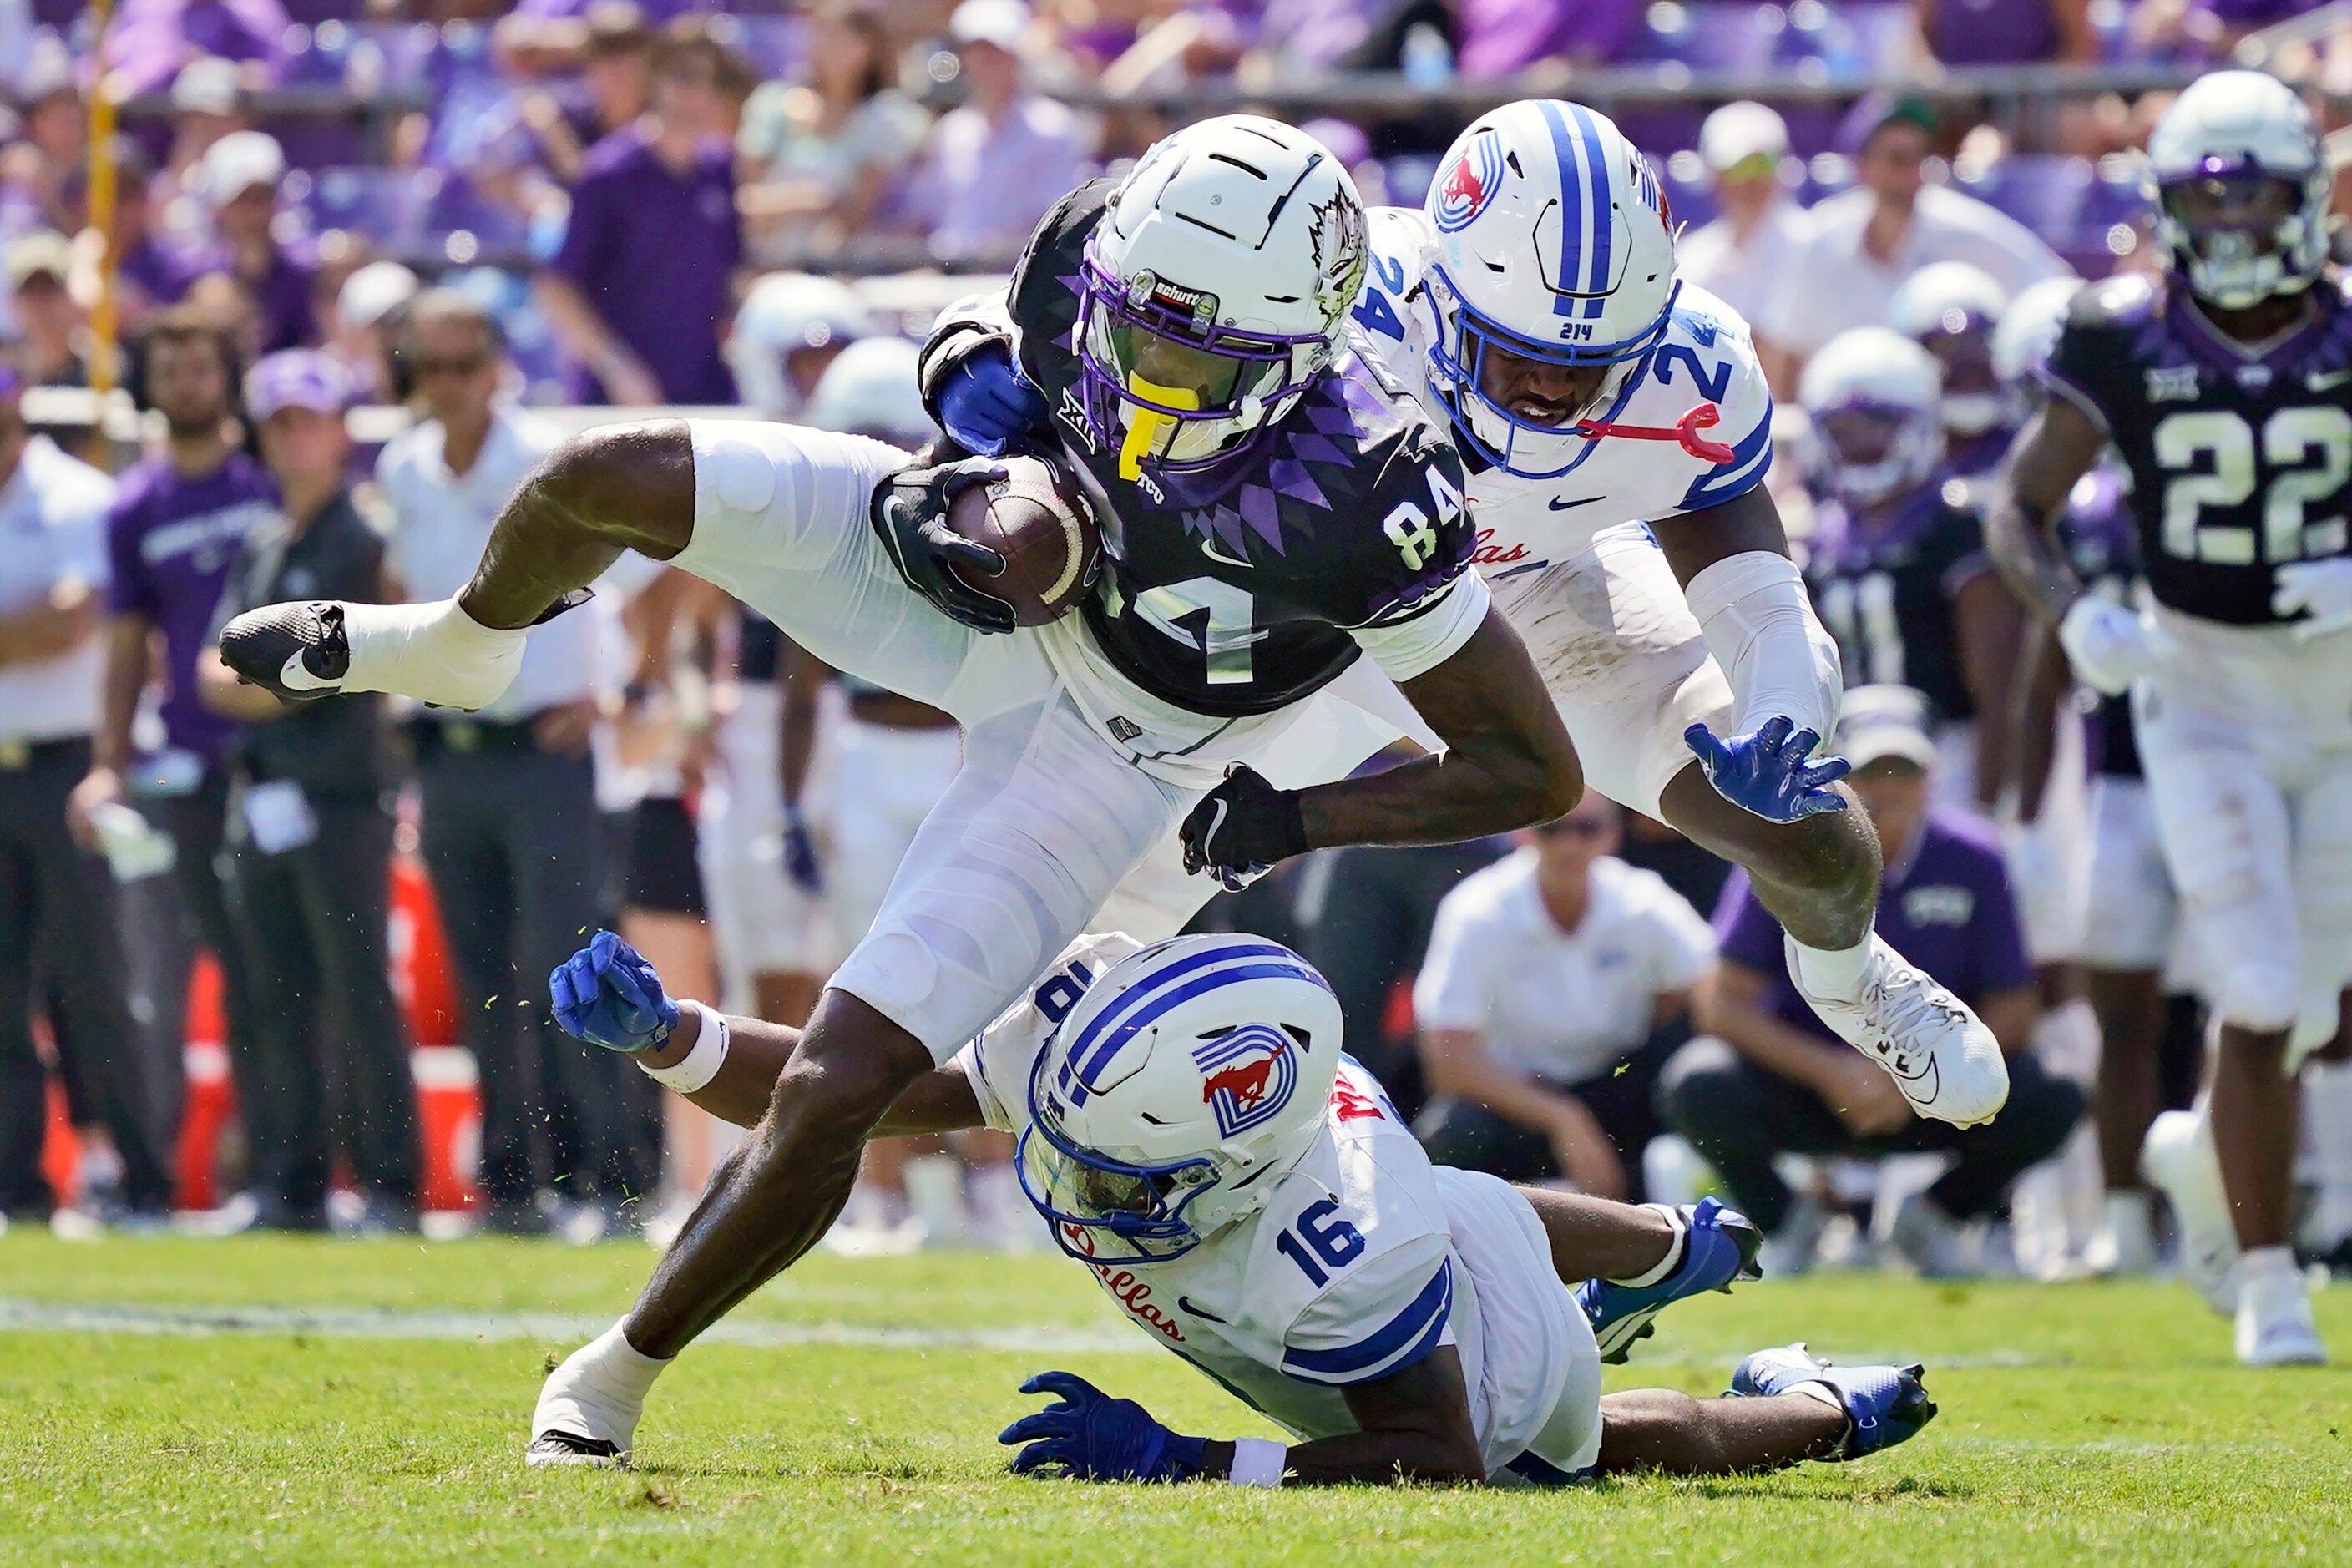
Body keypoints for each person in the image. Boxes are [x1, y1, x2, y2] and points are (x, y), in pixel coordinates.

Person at [221, 114, 1590, 1441]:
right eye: (1140, 331)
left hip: (1130, 740)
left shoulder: (1369, 488)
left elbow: (1527, 766)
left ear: (1300, 352)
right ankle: (461, 645)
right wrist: (975, 438)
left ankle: (612, 1371)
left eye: (1200, 356)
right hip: (983, 592)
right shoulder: (1086, 254)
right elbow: (981, 368)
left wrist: (1293, 814)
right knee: (607, 474)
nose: (1153, 377)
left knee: (849, 1071)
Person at [531, 926, 1937, 1481]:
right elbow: (872, 1099)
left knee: (1563, 1457)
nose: (1074, 1180)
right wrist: (680, 1039)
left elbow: (1430, 1457)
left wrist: (1191, 1460)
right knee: (1463, 1203)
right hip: (1437, 1214)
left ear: (1223, 1171)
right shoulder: (1117, 1052)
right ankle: (1666, 1249)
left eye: (1120, 1176)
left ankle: (1832, 1406)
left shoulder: (1333, 1254)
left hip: (1470, 1351)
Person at [1272, 100, 2015, 1128]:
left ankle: (1847, 975)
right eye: (1518, 350)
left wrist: (1783, 714)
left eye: (1585, 364)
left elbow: (1761, 595)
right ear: (1443, 299)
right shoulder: (1338, 303)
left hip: (1523, 593)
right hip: (1302, 613)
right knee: (1103, 889)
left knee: (1815, 838)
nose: (1547, 387)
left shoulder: (1691, 366)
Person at [1984, 71, 2352, 1364]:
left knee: (2313, 1006)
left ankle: (2207, 1152)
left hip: (2345, 699)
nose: (2240, 224)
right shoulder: (2120, 334)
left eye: (2260, 194)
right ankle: (2268, 1281)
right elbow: (2015, 506)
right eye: (2214, 196)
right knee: (2253, 985)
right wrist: (2074, 608)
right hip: (2205, 696)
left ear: (2308, 197)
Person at [371, 289, 649, 1234]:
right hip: (449, 750)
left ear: (495, 369)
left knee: (565, 964)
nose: (445, 387)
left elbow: (659, 567)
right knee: (482, 969)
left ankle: (609, 1180)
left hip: (542, 749)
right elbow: (404, 591)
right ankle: (513, 1180)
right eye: (428, 368)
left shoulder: (549, 459)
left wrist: (617, 688)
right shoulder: (403, 468)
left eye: (461, 366)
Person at [1661, 685, 2083, 1279]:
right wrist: (1830, 1071)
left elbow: (2014, 1003)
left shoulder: (1975, 859)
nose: (1885, 788)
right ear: (1837, 776)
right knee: (1698, 1083)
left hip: (1931, 1090)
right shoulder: (1785, 848)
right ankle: (1785, 1222)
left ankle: (1937, 1215)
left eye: (1901, 770)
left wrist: (1911, 1076)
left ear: (1929, 777)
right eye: (1870, 771)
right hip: (1808, 1084)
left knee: (2055, 1089)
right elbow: (1721, 1004)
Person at [194, 350, 422, 1234]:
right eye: (279, 422)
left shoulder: (356, 540)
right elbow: (218, 670)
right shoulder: (264, 538)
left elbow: (318, 673)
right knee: (270, 994)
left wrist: (259, 684)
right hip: (266, 796)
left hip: (339, 800)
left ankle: (390, 1185)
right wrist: (259, 684)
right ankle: (288, 1184)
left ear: (338, 429)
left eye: (309, 420)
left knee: (358, 991)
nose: (295, 438)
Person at [71, 306, 277, 1216]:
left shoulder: (271, 482)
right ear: (148, 386)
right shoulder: (134, 507)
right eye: (171, 369)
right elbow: (124, 647)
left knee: (272, 978)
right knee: (155, 982)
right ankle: (150, 1176)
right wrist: (106, 762)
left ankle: (282, 1174)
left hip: (276, 763)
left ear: (226, 376)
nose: (188, 382)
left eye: (202, 366)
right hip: (182, 765)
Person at [0, 336, 174, 1229]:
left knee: (96, 980)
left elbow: (75, 620)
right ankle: (15, 1189)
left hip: (71, 763)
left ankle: (140, 1178)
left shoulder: (77, 494)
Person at [1411, 793, 1716, 1200]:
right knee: (1452, 1132)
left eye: (1587, 828)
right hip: (1518, 1101)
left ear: (1613, 833)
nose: (1569, 844)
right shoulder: (1476, 910)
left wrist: (1664, 1019)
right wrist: (1563, 1118)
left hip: (1619, 1091)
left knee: (1698, 1080)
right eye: (1551, 828)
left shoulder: (1642, 900)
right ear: (1523, 833)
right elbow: (1447, 1059)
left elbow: (1712, 989)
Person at [1798, 325, 2027, 815]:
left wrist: (1989, 805)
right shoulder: (1820, 536)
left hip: (1949, 753)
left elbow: (2001, 688)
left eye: (1878, 423)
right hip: (1852, 752)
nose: (1860, 441)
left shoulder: (1956, 525)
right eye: (1842, 427)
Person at [1753, 94, 2072, 393]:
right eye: (1897, 158)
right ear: (1863, 167)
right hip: (1846, 433)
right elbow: (1786, 354)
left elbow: (2057, 293)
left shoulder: (1966, 231)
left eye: (1919, 158)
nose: (1911, 173)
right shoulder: (1819, 242)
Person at [536, 19, 747, 406]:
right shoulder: (607, 174)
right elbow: (557, 289)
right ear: (654, 80)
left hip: (704, 393)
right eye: (684, 78)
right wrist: (617, 367)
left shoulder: (719, 168)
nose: (697, 95)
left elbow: (731, 275)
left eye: (711, 82)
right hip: (617, 405)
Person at [736, 0, 930, 266]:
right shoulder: (772, 104)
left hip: (845, 269)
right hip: (765, 265)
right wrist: (815, 201)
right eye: (823, 33)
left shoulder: (887, 117)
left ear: (871, 48)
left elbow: (857, 215)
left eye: (847, 37)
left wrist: (787, 207)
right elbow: (744, 202)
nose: (832, 46)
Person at [903, 0, 1085, 265]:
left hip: (1016, 281)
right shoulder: (951, 132)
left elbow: (1056, 225)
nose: (984, 62)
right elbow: (924, 218)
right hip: (951, 280)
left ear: (1016, 56)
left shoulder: (1053, 129)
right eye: (975, 51)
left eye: (995, 51)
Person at [1674, 102, 1808, 334]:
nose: (1751, 180)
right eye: (1738, 167)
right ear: (1714, 173)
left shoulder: (1813, 245)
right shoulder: (1690, 258)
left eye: (1761, 165)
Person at [188, 130, 318, 356]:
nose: (254, 214)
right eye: (242, 200)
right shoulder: (190, 275)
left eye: (263, 197)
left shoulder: (307, 273)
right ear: (218, 207)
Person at [1885, 260, 2016, 479]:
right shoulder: (1894, 467)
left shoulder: (2029, 450)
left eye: (1979, 343)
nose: (1967, 365)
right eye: (1947, 348)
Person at [6, 231, 85, 387]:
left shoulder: (104, 372)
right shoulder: (6, 378)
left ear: (69, 295)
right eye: (29, 289)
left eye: (49, 288)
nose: (40, 302)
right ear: (14, 301)